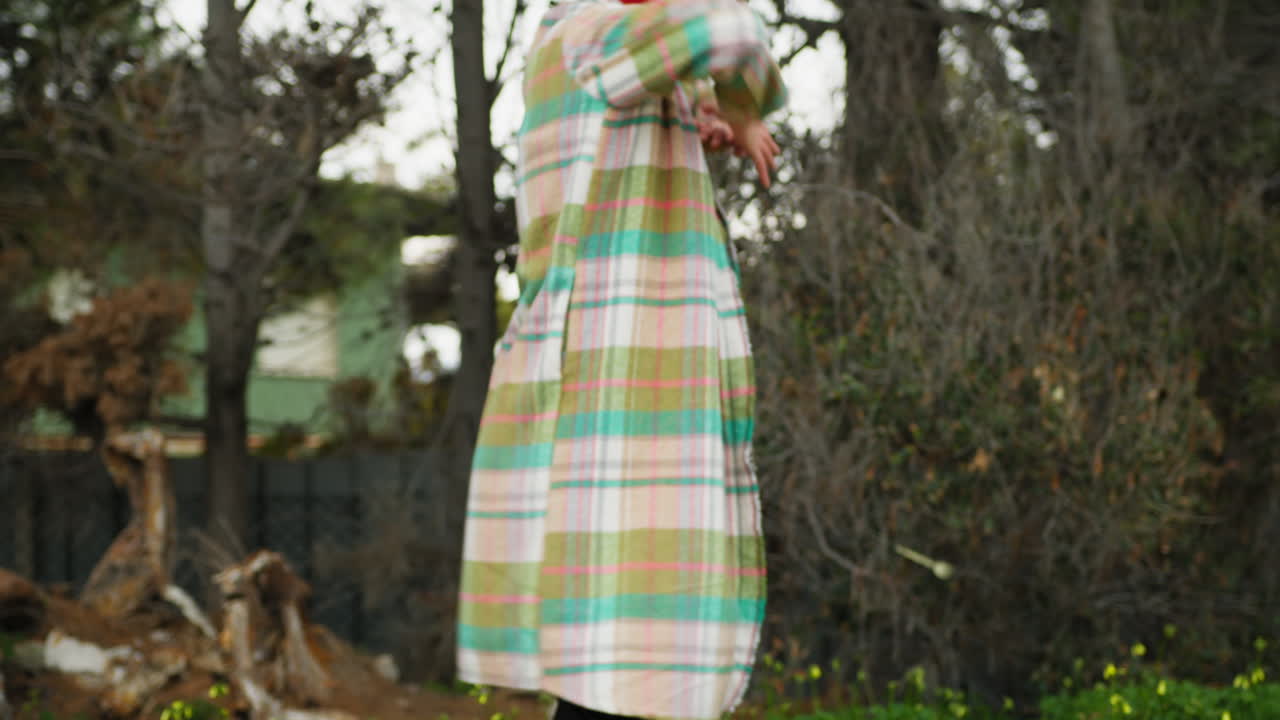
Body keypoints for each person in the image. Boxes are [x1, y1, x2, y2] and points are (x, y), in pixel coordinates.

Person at [456, 0, 786, 717]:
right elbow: (729, 30)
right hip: (627, 400)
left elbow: (669, 67)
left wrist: (704, 111)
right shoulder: (588, 33)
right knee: (636, 671)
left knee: (626, 666)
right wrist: (745, 107)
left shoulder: (597, 52)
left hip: (622, 395)